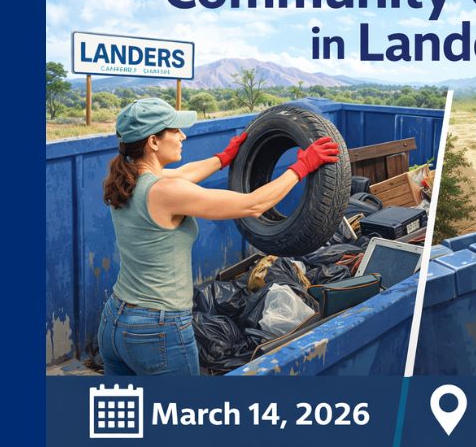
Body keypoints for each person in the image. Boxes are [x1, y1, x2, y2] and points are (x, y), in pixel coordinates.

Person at [97, 98, 339, 375]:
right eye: (175, 130)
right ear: (153, 141)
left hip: (116, 320)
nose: (182, 136)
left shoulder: (129, 180)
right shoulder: (165, 192)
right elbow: (253, 205)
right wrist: (301, 167)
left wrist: (223, 158)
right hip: (157, 329)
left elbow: (182, 175)